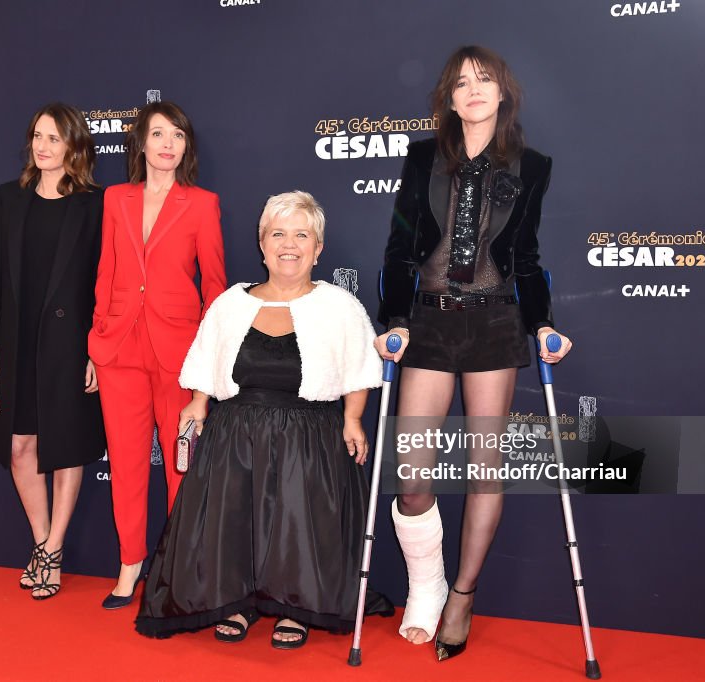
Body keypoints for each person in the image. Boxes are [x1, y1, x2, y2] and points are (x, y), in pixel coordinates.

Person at [375, 46, 574, 661]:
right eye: (461, 83)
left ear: (503, 93)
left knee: (486, 466)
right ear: (449, 98)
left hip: (493, 325)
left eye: (483, 80)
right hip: (429, 326)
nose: (473, 90)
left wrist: (542, 323)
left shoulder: (533, 166)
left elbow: (529, 257)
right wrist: (395, 319)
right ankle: (426, 582)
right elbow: (400, 249)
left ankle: (462, 594)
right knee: (412, 477)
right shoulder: (421, 158)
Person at [135, 191, 393, 648]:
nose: (288, 244)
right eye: (278, 234)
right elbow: (205, 363)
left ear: (318, 248)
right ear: (261, 244)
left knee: (296, 522)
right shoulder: (230, 303)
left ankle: (293, 607)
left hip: (308, 434)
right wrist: (196, 404)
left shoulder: (340, 306)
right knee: (235, 520)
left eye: (301, 234)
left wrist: (353, 420)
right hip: (236, 431)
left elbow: (359, 370)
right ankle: (237, 599)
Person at [88, 101, 227, 610]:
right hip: (118, 348)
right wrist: (95, 342)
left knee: (181, 466)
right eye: (158, 134)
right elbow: (105, 272)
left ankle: (176, 570)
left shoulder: (202, 203)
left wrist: (209, 362)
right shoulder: (115, 199)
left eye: (177, 136)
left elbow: (214, 287)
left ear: (186, 146)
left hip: (181, 354)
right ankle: (130, 565)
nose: (168, 144)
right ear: (141, 143)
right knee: (125, 464)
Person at [0, 102, 105, 600]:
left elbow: (103, 284)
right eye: (37, 137)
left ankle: (54, 549)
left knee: (66, 445)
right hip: (17, 340)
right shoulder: (9, 199)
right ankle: (40, 540)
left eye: (53, 137)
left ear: (74, 146)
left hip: (70, 345)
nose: (43, 146)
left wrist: (96, 350)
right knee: (20, 444)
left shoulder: (95, 205)